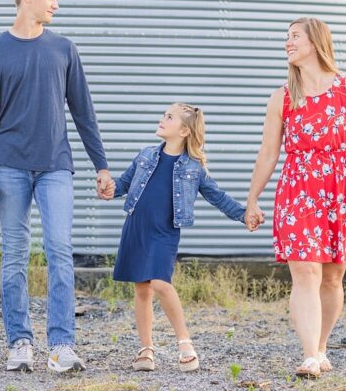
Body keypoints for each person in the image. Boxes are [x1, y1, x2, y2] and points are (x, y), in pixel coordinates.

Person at [0, 0, 114, 374]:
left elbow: (84, 113)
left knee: (59, 252)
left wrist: (101, 165)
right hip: (10, 166)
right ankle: (19, 342)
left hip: (56, 167)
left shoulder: (63, 49)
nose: (55, 4)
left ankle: (62, 345)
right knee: (15, 254)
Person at [245, 17, 346, 378]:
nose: (287, 43)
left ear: (316, 40)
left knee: (331, 277)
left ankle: (322, 346)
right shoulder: (282, 96)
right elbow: (268, 152)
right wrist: (252, 199)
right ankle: (310, 355)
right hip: (298, 188)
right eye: (286, 38)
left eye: (294, 36)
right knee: (306, 271)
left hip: (340, 188)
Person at [100, 103, 248, 372]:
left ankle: (184, 343)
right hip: (136, 226)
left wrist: (244, 214)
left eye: (168, 117)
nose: (162, 119)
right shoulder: (145, 155)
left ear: (183, 130)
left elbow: (218, 197)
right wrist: (109, 188)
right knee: (142, 287)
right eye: (163, 115)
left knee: (160, 283)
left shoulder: (193, 168)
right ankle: (146, 350)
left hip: (164, 231)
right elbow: (123, 184)